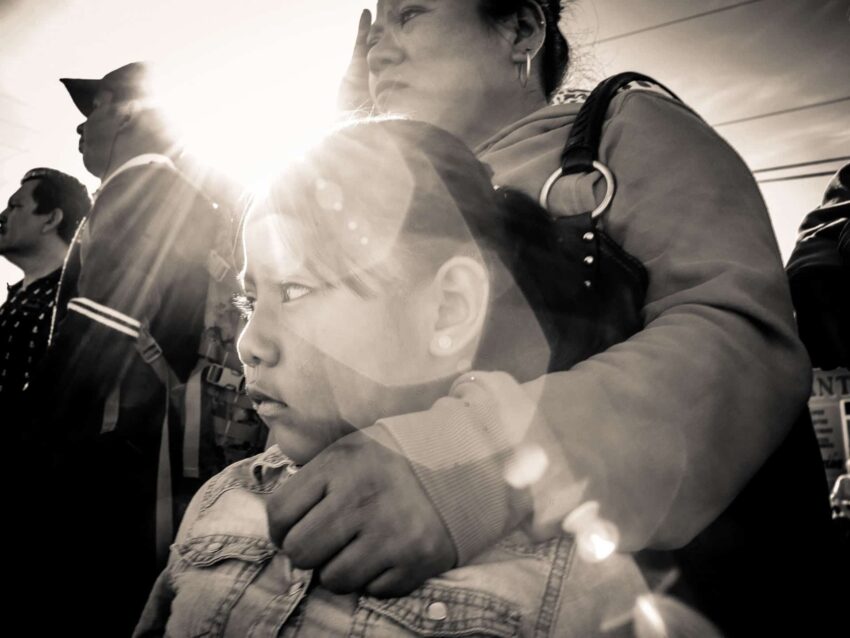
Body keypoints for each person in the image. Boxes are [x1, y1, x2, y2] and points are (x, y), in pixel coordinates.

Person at [265, 2, 839, 634]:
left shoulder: (626, 131)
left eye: (410, 15)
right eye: (374, 29)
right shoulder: (396, 190)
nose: (378, 48)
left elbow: (741, 347)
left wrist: (466, 463)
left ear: (522, 30)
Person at [134, 117, 672, 638]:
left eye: (295, 289)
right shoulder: (220, 499)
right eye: (250, 301)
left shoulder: (571, 586)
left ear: (448, 310)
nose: (250, 343)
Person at [16, 62, 225, 636]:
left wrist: (29, 442)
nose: (81, 129)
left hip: (113, 455)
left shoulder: (141, 183)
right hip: (139, 445)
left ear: (128, 109)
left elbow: (101, 331)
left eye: (95, 108)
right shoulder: (172, 188)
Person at [0, 168, 90, 407]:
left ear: (50, 219)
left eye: (14, 206)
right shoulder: (18, 295)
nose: (2, 215)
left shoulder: (78, 301)